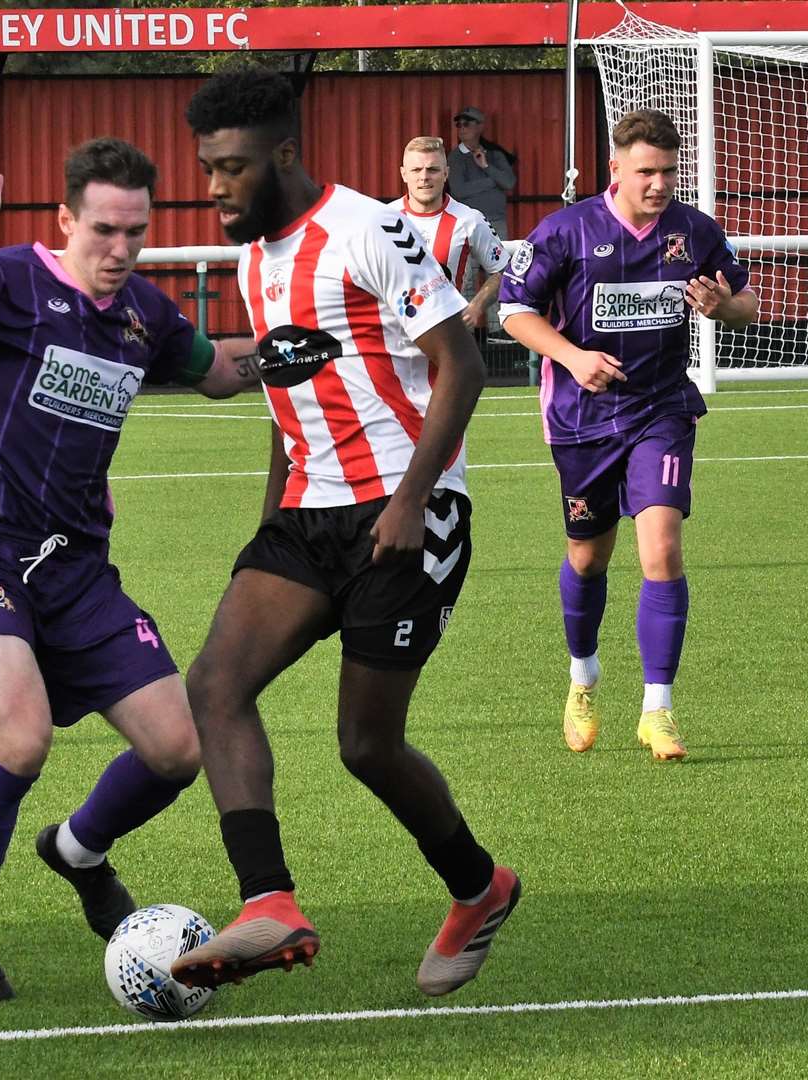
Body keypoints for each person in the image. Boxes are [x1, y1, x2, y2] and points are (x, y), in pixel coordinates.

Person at [0, 128, 261, 1001]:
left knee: (178, 748)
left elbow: (216, 373)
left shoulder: (144, 316)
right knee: (22, 738)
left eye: (136, 232)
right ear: (63, 220)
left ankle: (76, 848)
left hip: (79, 569)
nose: (121, 250)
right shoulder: (6, 280)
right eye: (104, 232)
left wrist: (293, 352)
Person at [171, 68, 520, 999]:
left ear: (284, 155)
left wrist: (412, 500)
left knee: (366, 747)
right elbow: (288, 393)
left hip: (406, 516)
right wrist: (268, 520)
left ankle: (480, 889)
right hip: (307, 513)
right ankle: (268, 901)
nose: (215, 187)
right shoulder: (253, 257)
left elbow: (464, 364)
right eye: (208, 168)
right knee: (214, 685)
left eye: (233, 168)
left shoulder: (369, 229)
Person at [498, 108, 758, 760]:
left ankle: (658, 708)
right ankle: (582, 677)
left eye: (669, 171)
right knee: (588, 557)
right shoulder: (567, 230)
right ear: (615, 168)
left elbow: (747, 304)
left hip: (660, 409)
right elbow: (513, 311)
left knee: (662, 550)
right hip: (581, 421)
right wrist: (571, 356)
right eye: (647, 171)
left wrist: (721, 306)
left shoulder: (694, 232)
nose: (659, 183)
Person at [391, 136, 511, 330]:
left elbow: (503, 270)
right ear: (404, 174)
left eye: (433, 169)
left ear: (446, 173)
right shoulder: (384, 219)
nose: (424, 177)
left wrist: (475, 306)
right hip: (394, 339)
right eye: (416, 170)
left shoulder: (469, 219)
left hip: (448, 338)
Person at [447, 106, 517, 241]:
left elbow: (509, 182)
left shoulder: (495, 153)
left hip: (497, 222)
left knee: (501, 261)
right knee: (469, 262)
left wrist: (486, 166)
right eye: (459, 125)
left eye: (467, 124)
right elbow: (459, 191)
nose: (462, 128)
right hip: (468, 223)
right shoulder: (455, 157)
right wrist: (493, 182)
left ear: (480, 127)